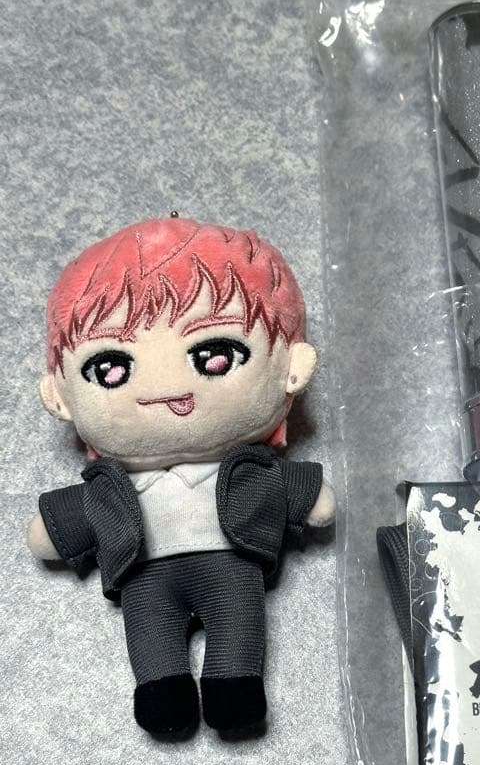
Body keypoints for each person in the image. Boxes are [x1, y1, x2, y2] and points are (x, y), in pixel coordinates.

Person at [27, 217, 335, 736]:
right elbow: (61, 527)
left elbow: (309, 500)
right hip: (145, 579)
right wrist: (58, 529)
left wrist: (307, 497)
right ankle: (161, 687)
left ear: (293, 365)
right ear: (59, 395)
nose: (164, 387)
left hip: (232, 570)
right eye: (111, 369)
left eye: (215, 356)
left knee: (238, 627)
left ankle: (235, 685)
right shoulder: (114, 489)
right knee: (151, 637)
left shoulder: (250, 472)